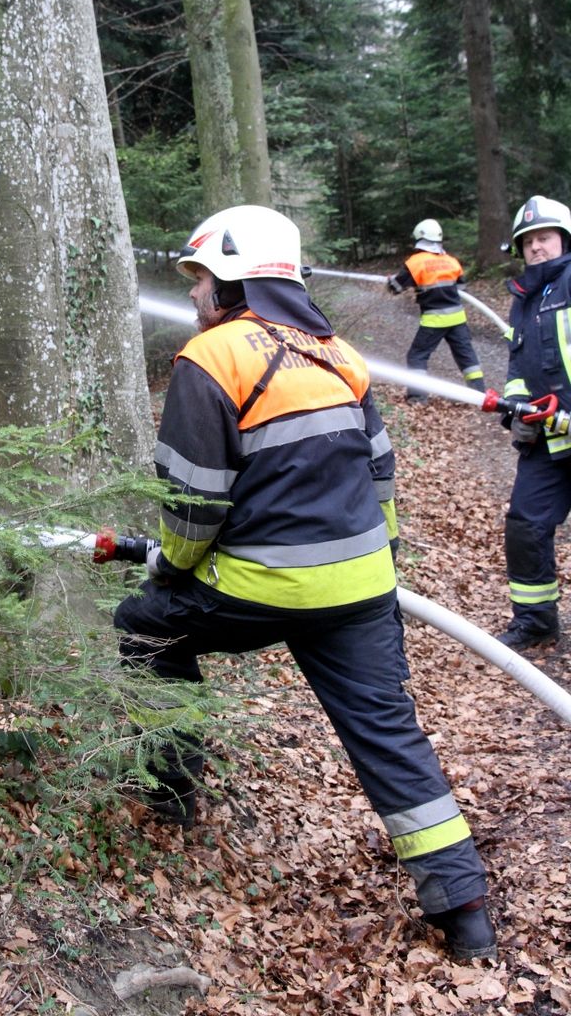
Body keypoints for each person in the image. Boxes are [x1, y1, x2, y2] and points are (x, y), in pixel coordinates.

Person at [114, 204, 496, 962]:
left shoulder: (210, 358)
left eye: (200, 278)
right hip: (362, 589)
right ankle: (465, 911)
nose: (191, 292)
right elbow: (382, 477)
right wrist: (377, 569)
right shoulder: (337, 354)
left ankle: (170, 792)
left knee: (144, 626)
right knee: (388, 734)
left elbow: (193, 506)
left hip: (258, 590)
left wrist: (168, 565)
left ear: (234, 282)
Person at [496, 195, 571, 651]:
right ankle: (536, 622)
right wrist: (518, 412)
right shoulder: (524, 299)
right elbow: (518, 368)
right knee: (525, 526)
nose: (536, 247)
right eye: (528, 242)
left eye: (544, 238)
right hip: (548, 441)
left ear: (564, 240)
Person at [387, 219, 485, 400]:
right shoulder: (451, 261)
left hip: (435, 319)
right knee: (466, 356)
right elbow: (461, 289)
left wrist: (391, 281)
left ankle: (418, 397)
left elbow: (395, 287)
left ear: (420, 238)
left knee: (417, 356)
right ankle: (478, 393)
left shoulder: (415, 262)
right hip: (458, 318)